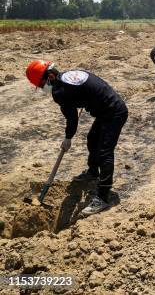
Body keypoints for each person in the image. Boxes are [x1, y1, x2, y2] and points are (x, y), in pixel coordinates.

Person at [25, 60, 129, 216]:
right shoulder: (67, 76)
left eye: (41, 85)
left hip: (114, 112)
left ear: (51, 76)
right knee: (92, 139)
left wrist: (68, 138)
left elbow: (72, 119)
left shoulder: (60, 92)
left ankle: (103, 197)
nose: (41, 89)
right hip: (106, 110)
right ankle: (93, 173)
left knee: (104, 152)